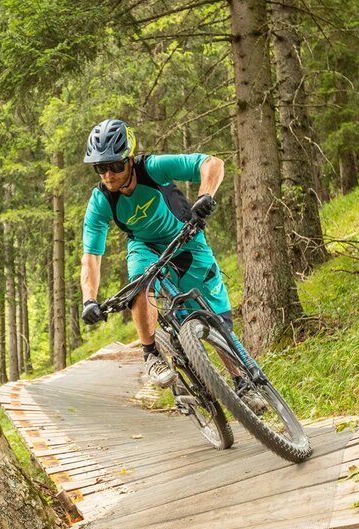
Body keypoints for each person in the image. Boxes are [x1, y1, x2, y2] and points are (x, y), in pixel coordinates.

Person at [78, 118, 251, 398]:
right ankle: (151, 355)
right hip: (144, 247)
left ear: (130, 160)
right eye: (100, 168)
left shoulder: (154, 168)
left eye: (115, 166)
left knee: (218, 321)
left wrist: (205, 196)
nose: (108, 175)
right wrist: (89, 299)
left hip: (187, 239)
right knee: (139, 286)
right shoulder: (100, 201)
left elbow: (212, 164)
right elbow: (91, 257)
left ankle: (242, 381)